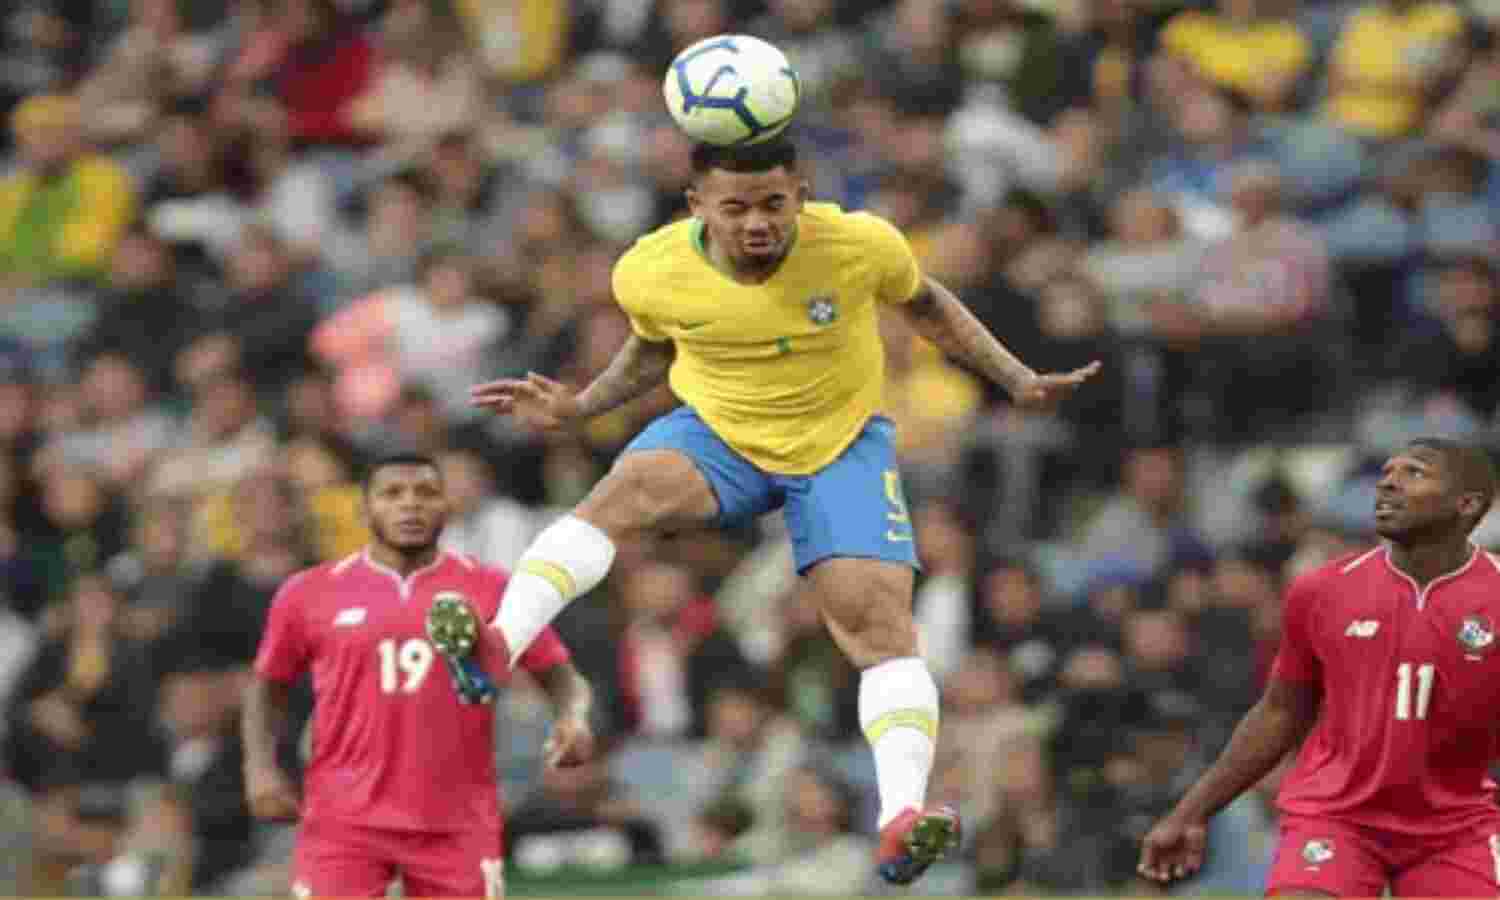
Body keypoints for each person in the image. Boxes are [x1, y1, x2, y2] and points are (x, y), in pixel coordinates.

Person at [458, 136, 1100, 885]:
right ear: (698, 206)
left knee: (882, 626)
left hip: (838, 447)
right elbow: (653, 344)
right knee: (617, 497)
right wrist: (583, 405)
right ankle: (498, 645)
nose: (757, 222)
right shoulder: (650, 268)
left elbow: (927, 305)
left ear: (801, 194)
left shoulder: (857, 245)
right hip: (721, 433)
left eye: (773, 204)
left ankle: (900, 817)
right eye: (735, 208)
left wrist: (1013, 376)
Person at [1139, 438, 1500, 897]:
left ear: (1467, 504)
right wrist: (1191, 812)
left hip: (1457, 827)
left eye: (1414, 472)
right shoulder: (1323, 590)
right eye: (1387, 472)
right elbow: (1279, 712)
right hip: (1336, 817)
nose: (1388, 483)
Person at [241, 453, 595, 899]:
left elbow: (560, 675)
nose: (410, 504)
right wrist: (259, 769)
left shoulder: (493, 587)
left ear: (446, 506)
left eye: (426, 493)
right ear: (363, 509)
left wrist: (573, 718)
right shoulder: (308, 592)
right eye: (392, 493)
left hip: (456, 820)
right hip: (343, 821)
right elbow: (267, 686)